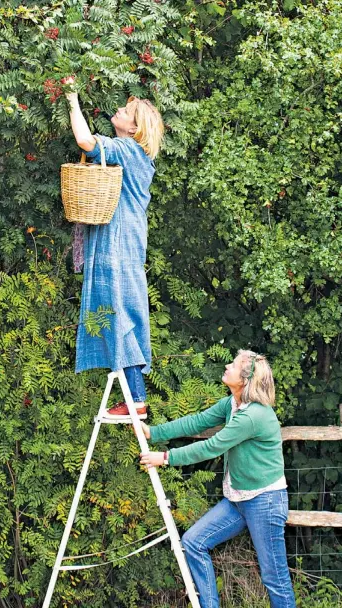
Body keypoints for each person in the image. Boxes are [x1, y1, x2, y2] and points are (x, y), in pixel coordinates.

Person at [138, 349, 296, 608]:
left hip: (264, 502)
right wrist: (153, 432)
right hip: (238, 499)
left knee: (274, 578)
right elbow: (197, 422)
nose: (227, 366)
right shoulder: (232, 404)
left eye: (232, 366)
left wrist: (165, 458)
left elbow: (210, 447)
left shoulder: (253, 416)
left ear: (245, 380)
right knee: (193, 542)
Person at [66, 82, 164, 420]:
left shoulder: (129, 149)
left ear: (135, 128)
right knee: (117, 312)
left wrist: (71, 99)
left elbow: (84, 141)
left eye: (126, 112)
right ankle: (133, 396)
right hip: (121, 242)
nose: (119, 112)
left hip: (118, 245)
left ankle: (136, 399)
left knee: (119, 313)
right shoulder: (135, 153)